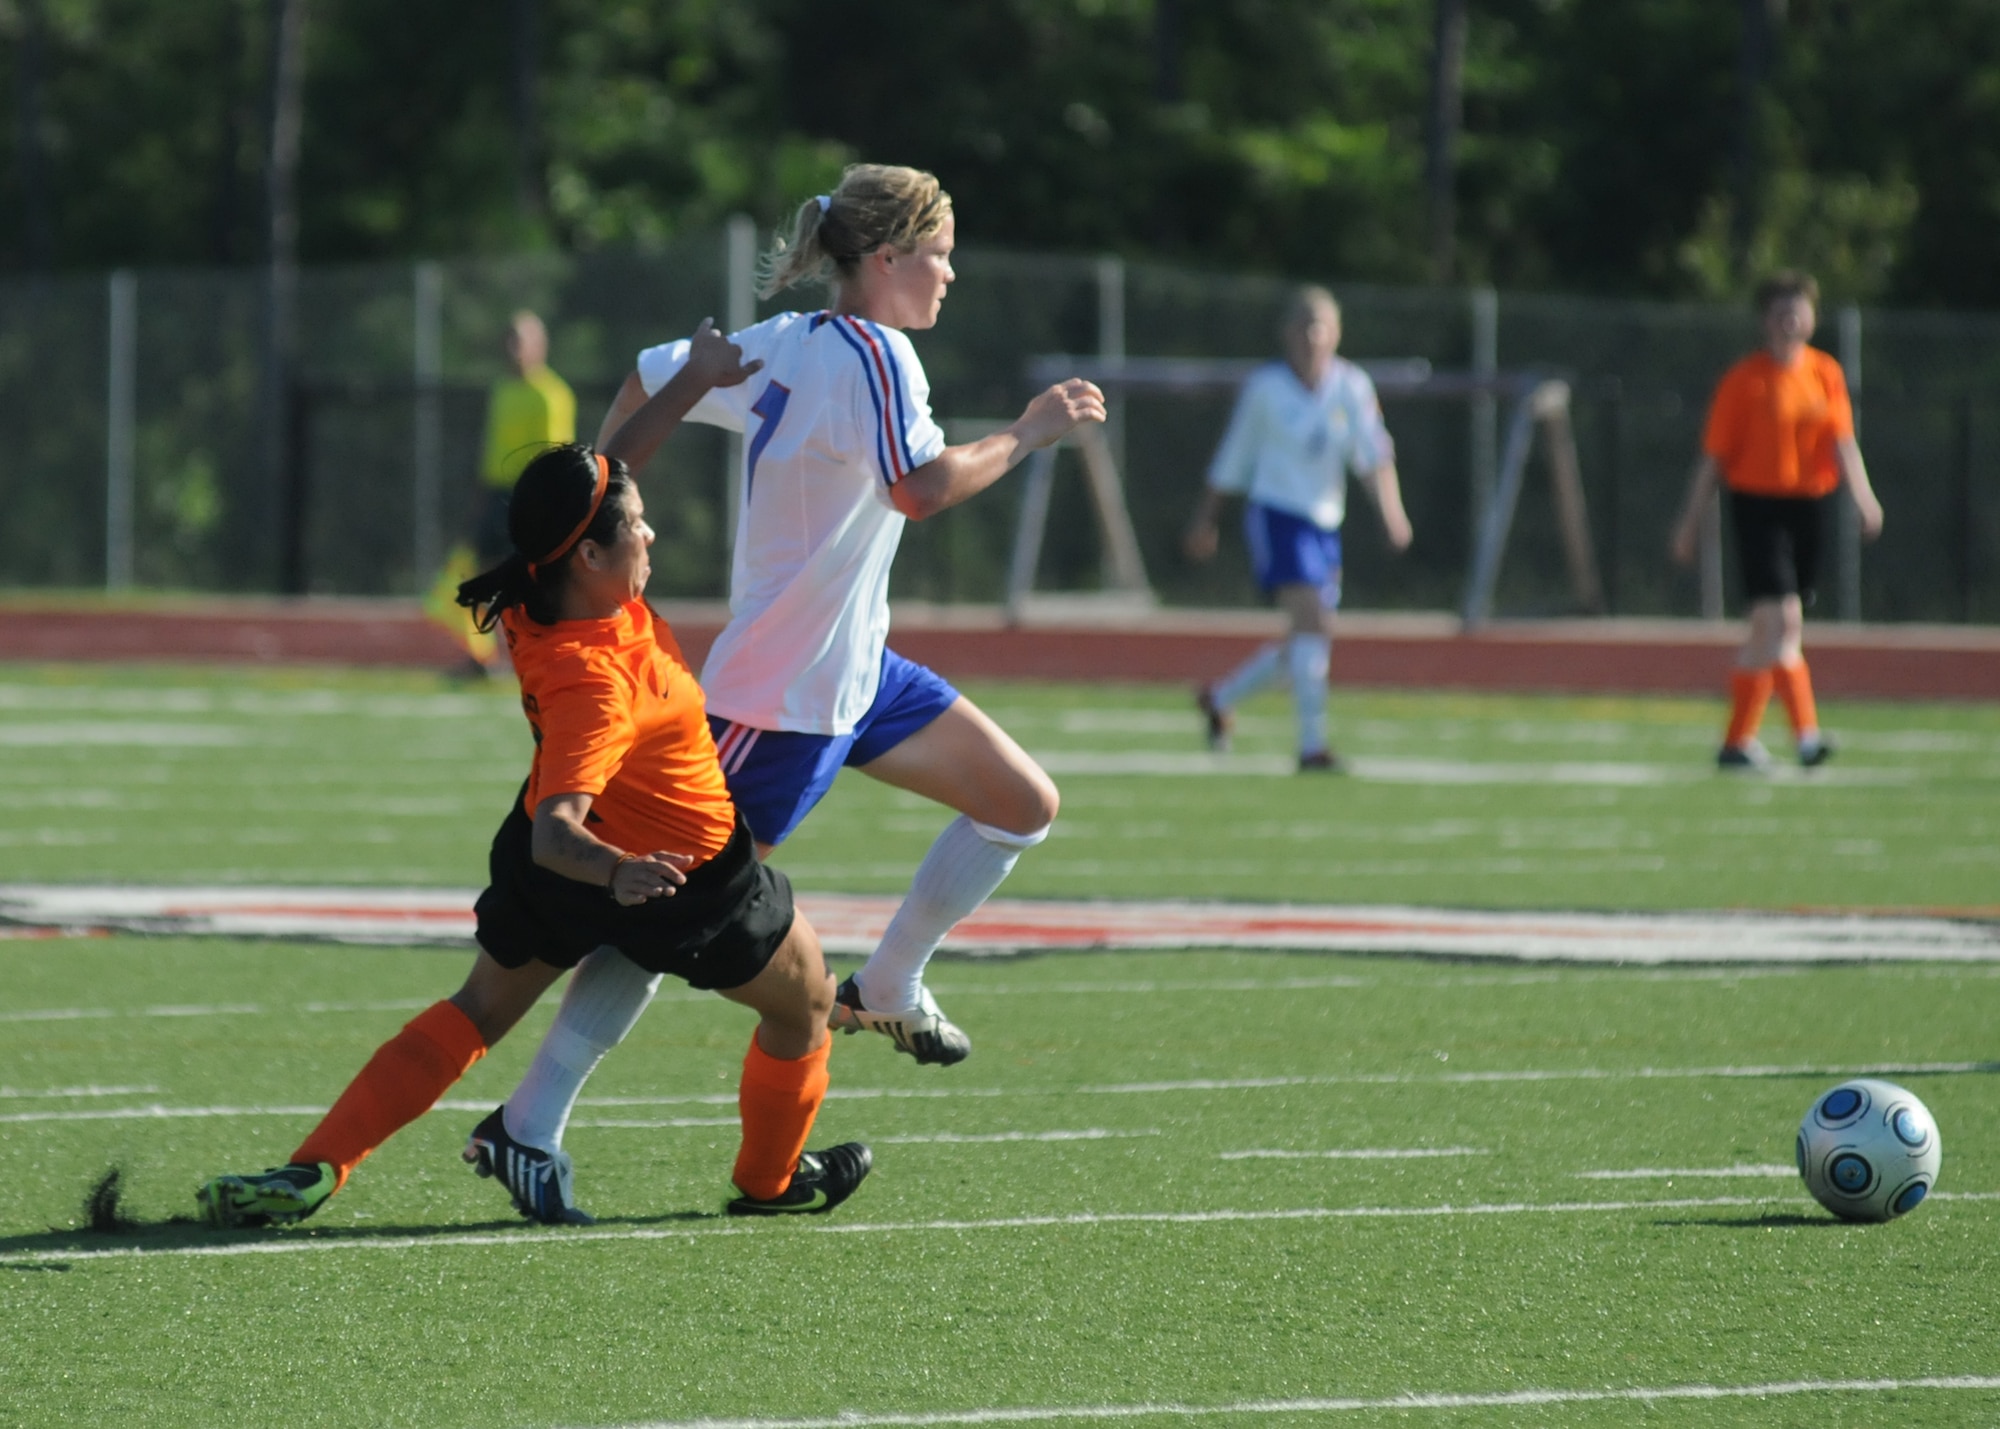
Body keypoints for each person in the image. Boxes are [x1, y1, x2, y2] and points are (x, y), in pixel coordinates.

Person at [475, 163, 1103, 1203]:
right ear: (890, 257)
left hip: (855, 673)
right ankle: (528, 1122)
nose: (952, 273)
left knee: (1020, 802)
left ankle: (891, 981)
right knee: (671, 904)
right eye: (940, 252)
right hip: (781, 703)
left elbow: (643, 379)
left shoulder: (790, 344)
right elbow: (920, 488)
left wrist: (617, 472)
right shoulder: (872, 351)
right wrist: (1028, 432)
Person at [197, 321, 870, 1229]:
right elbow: (565, 828)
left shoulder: (540, 586)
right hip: (675, 872)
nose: (651, 529)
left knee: (478, 1005)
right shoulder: (598, 676)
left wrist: (692, 382)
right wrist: (621, 874)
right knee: (810, 1005)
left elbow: (608, 465)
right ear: (589, 555)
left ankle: (315, 1167)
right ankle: (768, 1182)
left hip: (561, 863)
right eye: (634, 527)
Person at [1183, 285, 1414, 771]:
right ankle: (1312, 747)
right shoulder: (1266, 389)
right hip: (1276, 516)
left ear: (1335, 334)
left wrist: (1392, 514)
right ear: (1287, 334)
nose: (1312, 337)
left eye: (1321, 327)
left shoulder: (1351, 386)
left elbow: (1374, 455)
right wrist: (1207, 518)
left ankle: (1221, 699)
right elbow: (1234, 457)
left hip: (1325, 525)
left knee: (1305, 646)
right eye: (1303, 326)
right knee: (1314, 625)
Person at [1670, 271, 1885, 770]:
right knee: (1783, 620)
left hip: (1807, 507)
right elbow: (1713, 458)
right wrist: (1689, 521)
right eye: (1781, 310)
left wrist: (1864, 497)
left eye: (1799, 309)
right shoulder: (1744, 380)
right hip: (1757, 506)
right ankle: (1806, 737)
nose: (1791, 318)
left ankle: (1735, 743)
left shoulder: (1824, 373)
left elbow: (1842, 442)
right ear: (1765, 321)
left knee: (1772, 633)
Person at [426, 311, 578, 673]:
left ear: (540, 346)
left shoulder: (551, 395)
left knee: (528, 579)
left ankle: (534, 654)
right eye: (509, 341)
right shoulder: (502, 390)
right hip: (497, 494)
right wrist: (480, 499)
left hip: (530, 498)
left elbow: (553, 458)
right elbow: (491, 449)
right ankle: (481, 656)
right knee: (480, 576)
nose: (513, 349)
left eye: (520, 341)